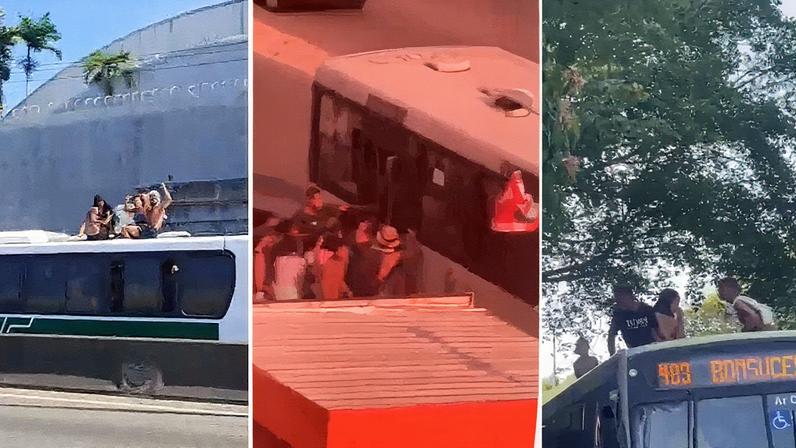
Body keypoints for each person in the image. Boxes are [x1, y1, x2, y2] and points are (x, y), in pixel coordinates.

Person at [607, 286, 659, 355]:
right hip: (634, 351)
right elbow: (611, 334)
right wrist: (612, 354)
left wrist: (658, 346)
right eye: (617, 299)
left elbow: (655, 329)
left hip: (652, 347)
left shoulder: (646, 309)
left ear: (629, 296)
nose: (618, 302)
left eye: (620, 298)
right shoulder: (619, 315)